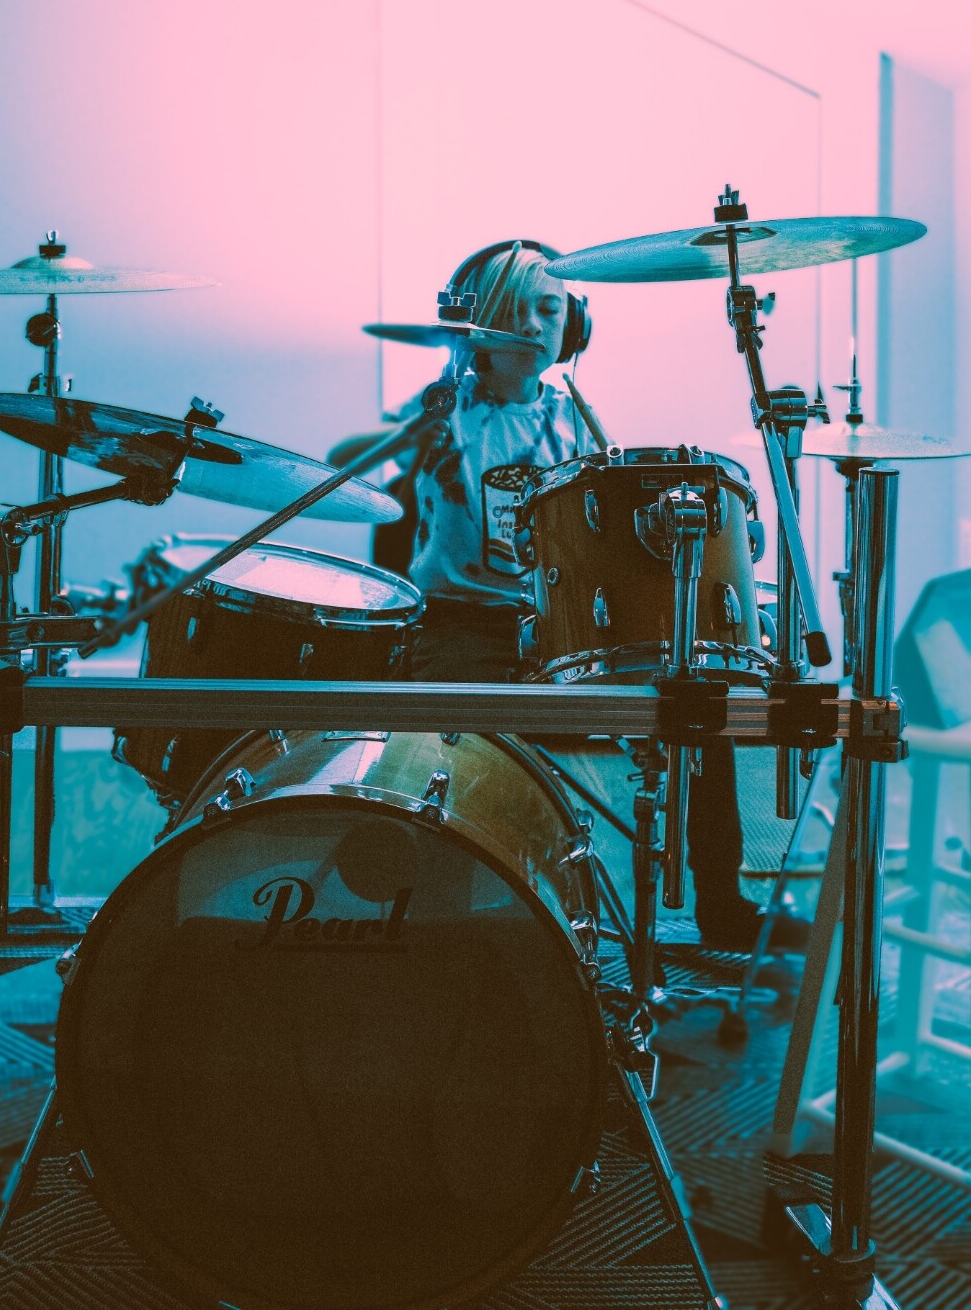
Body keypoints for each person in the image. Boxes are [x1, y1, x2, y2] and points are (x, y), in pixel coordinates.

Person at [337, 237, 805, 953]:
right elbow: (347, 459)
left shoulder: (573, 418)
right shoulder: (445, 409)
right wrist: (417, 430)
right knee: (462, 737)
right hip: (463, 622)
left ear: (573, 325)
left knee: (697, 690)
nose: (534, 322)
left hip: (555, 626)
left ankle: (720, 899)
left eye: (549, 308)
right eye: (515, 308)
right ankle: (452, 907)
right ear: (479, 328)